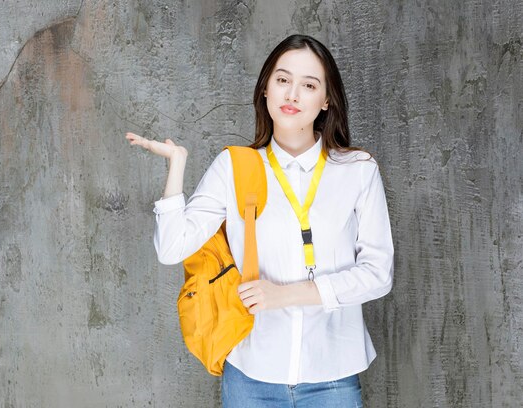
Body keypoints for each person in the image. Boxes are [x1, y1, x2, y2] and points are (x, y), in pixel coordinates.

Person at [125, 34, 394, 408]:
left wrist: (284, 295)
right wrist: (177, 166)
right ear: (266, 89)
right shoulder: (235, 167)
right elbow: (171, 249)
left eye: (309, 85)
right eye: (283, 80)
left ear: (326, 100)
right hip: (251, 377)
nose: (292, 94)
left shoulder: (357, 171)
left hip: (332, 378)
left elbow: (378, 274)